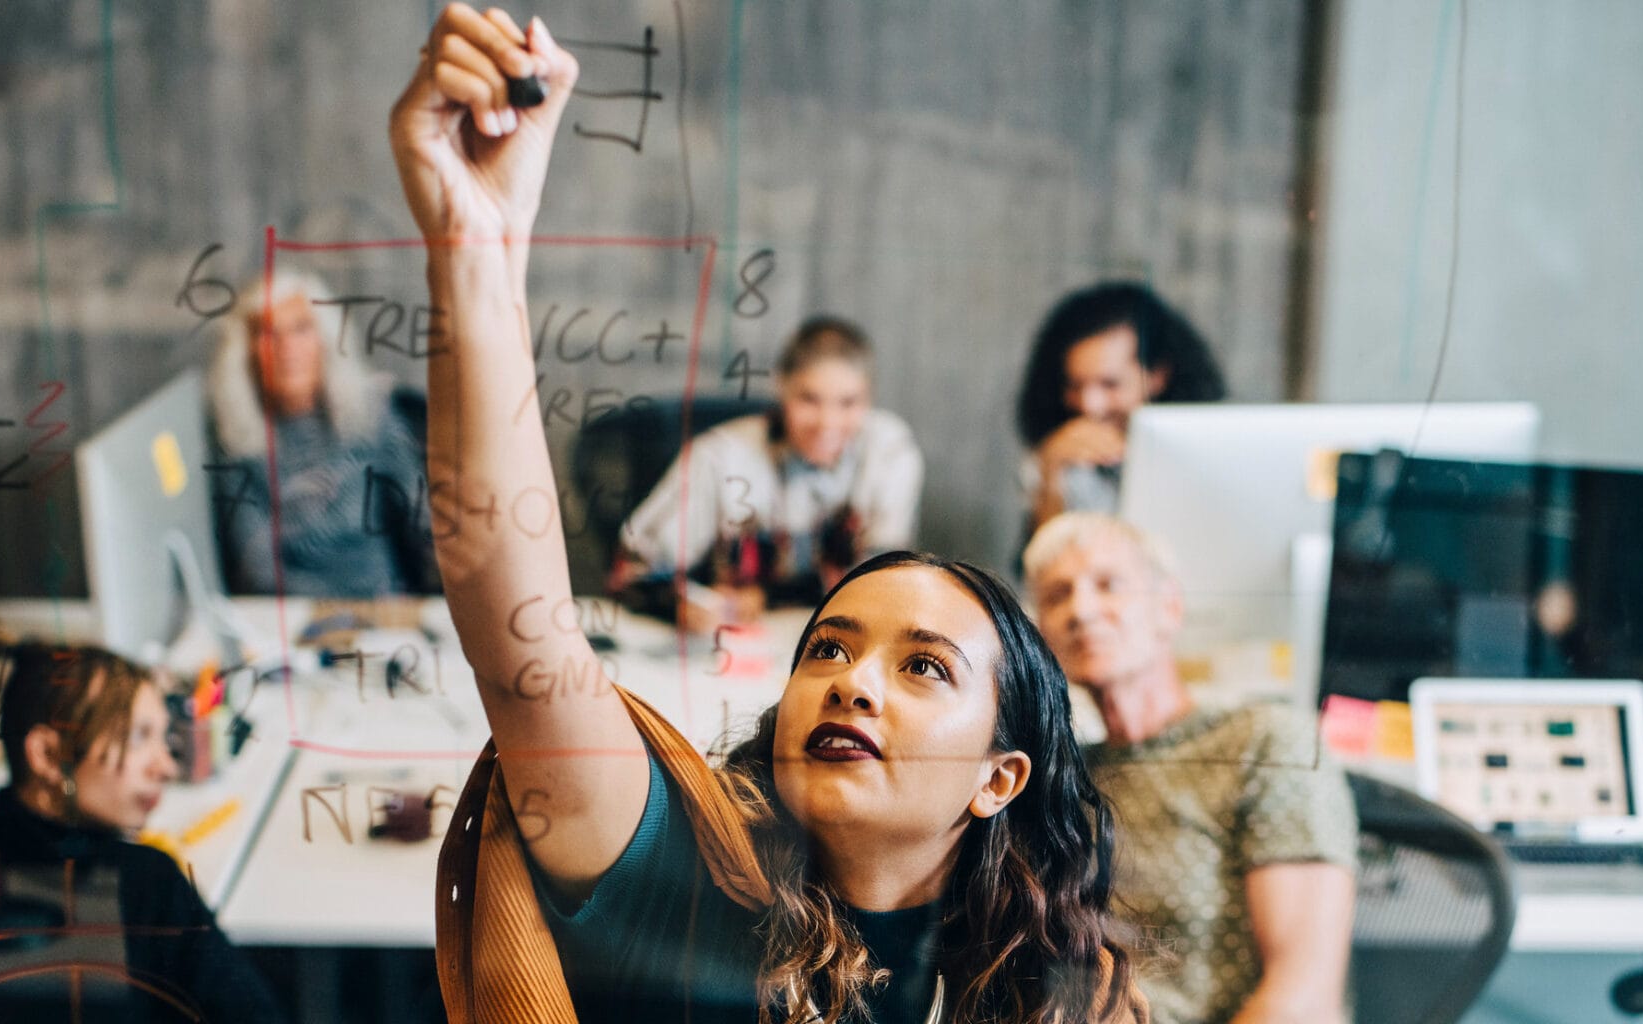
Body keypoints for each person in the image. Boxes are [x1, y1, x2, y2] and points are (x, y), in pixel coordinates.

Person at [387, 8, 1145, 1023]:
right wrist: (476, 244)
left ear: (1000, 775)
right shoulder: (676, 883)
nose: (850, 682)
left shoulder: (1048, 990)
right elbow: (510, 602)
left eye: (923, 666)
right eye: (826, 649)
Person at [1023, 514, 1355, 1024]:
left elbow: (1303, 996)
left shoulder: (1263, 744)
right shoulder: (1064, 776)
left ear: (1169, 609)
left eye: (1108, 585)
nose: (1081, 610)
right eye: (1056, 595)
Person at [0, 637, 285, 1022]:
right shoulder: (144, 883)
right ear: (49, 756)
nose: (166, 767)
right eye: (139, 738)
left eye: (163, 738)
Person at [612, 315, 925, 632]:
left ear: (868, 399)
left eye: (848, 402)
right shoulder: (721, 457)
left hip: (830, 640)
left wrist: (765, 597)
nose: (827, 422)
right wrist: (680, 606)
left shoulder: (889, 451)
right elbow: (632, 572)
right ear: (782, 388)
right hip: (726, 646)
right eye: (809, 399)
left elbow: (883, 581)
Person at [206, 268, 440, 597]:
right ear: (247, 352)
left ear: (325, 339)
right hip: (296, 620)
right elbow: (256, 570)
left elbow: (424, 528)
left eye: (301, 329)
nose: (286, 347)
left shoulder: (371, 415)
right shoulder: (238, 442)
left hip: (388, 609)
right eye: (268, 333)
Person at [1015, 282, 1226, 529]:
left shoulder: (1209, 454)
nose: (1089, 405)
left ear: (1157, 376)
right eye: (1074, 385)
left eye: (1110, 384)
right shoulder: (1054, 456)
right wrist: (1050, 477)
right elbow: (1044, 565)